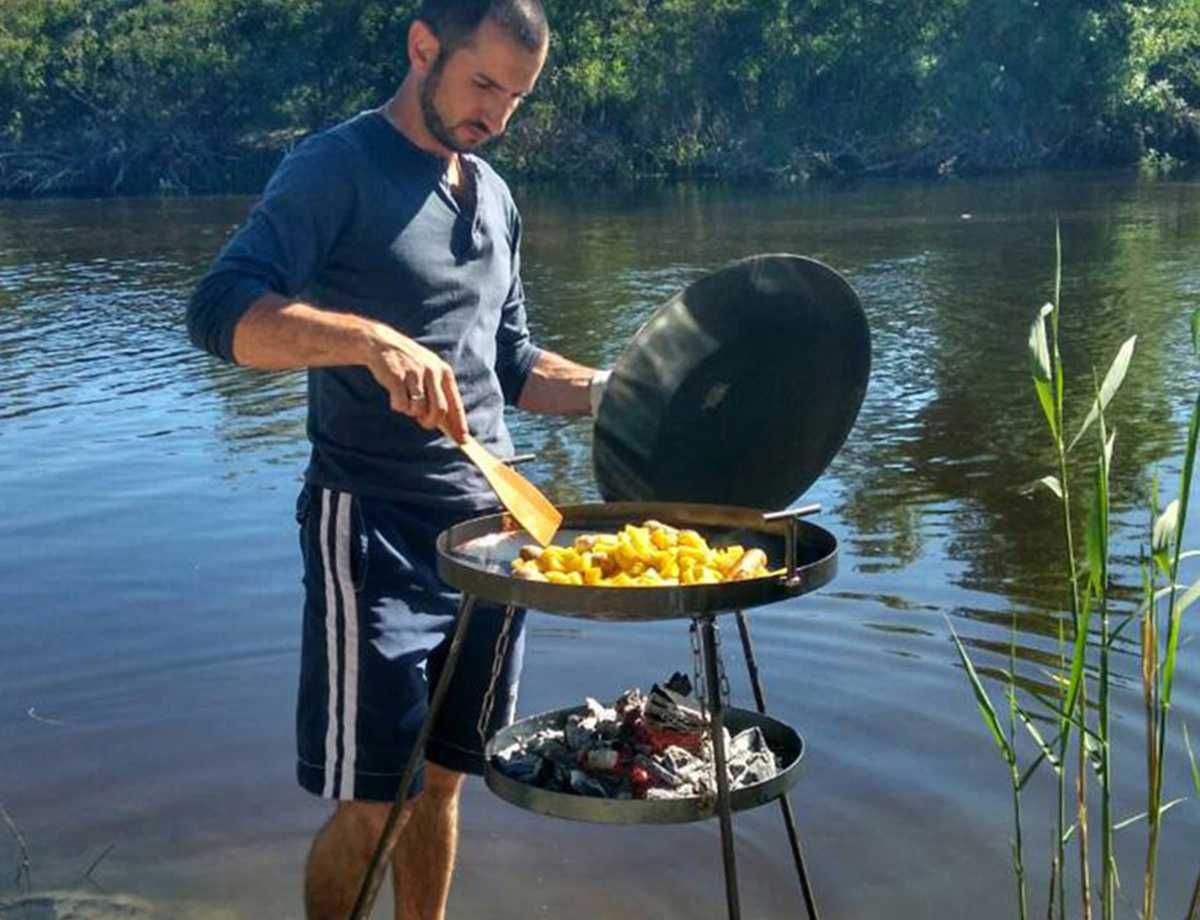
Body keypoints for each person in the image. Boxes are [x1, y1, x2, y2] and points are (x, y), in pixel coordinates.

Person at [186, 1, 608, 917]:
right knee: (377, 800)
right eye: (483, 83)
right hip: (373, 525)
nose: (496, 114)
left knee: (449, 781)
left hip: (498, 539)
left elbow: (515, 365)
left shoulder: (494, 194)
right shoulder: (335, 167)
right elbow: (221, 311)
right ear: (425, 48)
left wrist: (614, 389)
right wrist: (370, 341)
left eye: (517, 98)